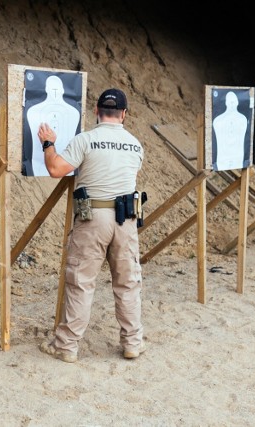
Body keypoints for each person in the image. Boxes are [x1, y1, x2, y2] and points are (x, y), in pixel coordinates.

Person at [36, 88, 145, 362]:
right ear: (124, 115)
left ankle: (66, 346)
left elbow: (56, 170)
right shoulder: (136, 145)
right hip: (127, 220)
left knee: (81, 283)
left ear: (96, 111)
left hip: (93, 218)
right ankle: (132, 343)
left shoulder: (85, 140)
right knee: (128, 283)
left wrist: (48, 144)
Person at [212, 91, 248, 171]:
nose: (232, 104)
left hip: (237, 159)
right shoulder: (218, 121)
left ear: (237, 103)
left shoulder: (242, 120)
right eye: (230, 102)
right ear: (226, 103)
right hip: (222, 160)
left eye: (234, 101)